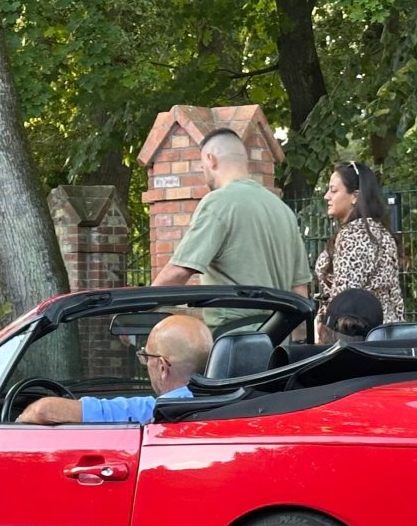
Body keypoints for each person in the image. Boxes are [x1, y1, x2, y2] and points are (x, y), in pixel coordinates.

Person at [152, 128, 310, 297]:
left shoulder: (218, 203)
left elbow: (179, 272)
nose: (203, 173)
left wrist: (140, 306)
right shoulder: (284, 211)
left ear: (211, 160)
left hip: (234, 315)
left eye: (202, 166)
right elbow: (299, 289)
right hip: (281, 315)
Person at [17, 314, 212, 425]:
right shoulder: (227, 403)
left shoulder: (153, 410)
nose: (146, 364)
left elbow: (44, 411)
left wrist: (16, 423)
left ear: (162, 367)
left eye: (147, 357)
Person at [313, 160, 405, 324]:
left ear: (355, 196)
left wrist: (326, 326)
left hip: (358, 333)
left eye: (333, 190)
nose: (326, 196)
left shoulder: (354, 235)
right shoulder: (379, 231)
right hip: (384, 328)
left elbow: (345, 301)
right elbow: (395, 297)